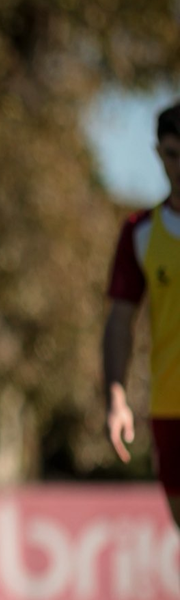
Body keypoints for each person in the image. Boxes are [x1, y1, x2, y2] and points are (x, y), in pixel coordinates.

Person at [105, 100, 180, 525]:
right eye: (172, 154)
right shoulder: (141, 232)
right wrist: (116, 397)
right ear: (158, 153)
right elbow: (120, 321)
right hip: (170, 407)